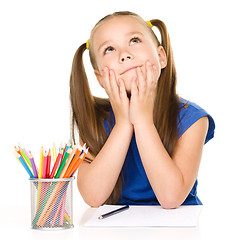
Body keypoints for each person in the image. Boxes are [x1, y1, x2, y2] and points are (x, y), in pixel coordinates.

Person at [69, 11, 215, 209]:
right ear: (100, 79)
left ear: (161, 57)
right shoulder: (96, 121)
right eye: (109, 49)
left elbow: (171, 198)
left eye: (134, 40)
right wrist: (123, 124)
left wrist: (143, 121)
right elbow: (93, 197)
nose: (124, 54)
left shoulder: (193, 118)